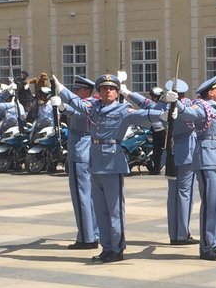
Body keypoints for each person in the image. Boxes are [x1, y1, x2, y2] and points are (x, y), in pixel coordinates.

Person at [54, 73, 167, 263]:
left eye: (112, 89)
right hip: (95, 161)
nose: (108, 91)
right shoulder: (94, 108)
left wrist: (165, 113)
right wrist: (61, 89)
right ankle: (106, 247)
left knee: (115, 210)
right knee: (100, 209)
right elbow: (77, 103)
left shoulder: (123, 109)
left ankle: (117, 248)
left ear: (117, 93)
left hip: (113, 161)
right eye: (104, 88)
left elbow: (144, 114)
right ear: (99, 92)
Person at [171, 72, 216, 261]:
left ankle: (215, 242)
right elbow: (187, 113)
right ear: (210, 92)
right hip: (207, 158)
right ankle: (206, 246)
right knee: (210, 204)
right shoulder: (201, 106)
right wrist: (176, 102)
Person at [58, 75, 98, 249]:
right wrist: (61, 106)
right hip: (86, 152)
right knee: (88, 196)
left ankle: (86, 237)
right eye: (73, 90)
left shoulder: (89, 104)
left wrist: (61, 90)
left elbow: (77, 108)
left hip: (80, 152)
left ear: (87, 91)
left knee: (81, 195)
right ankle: (92, 233)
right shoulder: (89, 104)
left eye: (78, 89)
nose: (75, 92)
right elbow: (73, 111)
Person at [164, 79, 197, 246]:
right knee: (185, 194)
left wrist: (128, 94)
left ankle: (174, 233)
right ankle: (182, 234)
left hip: (171, 152)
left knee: (173, 196)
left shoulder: (165, 106)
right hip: (186, 154)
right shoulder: (187, 105)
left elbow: (146, 104)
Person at [148, 86, 167, 174]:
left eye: (155, 96)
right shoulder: (151, 105)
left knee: (166, 150)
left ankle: (170, 167)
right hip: (155, 130)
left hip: (163, 130)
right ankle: (156, 169)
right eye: (152, 96)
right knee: (156, 151)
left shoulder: (164, 105)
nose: (153, 98)